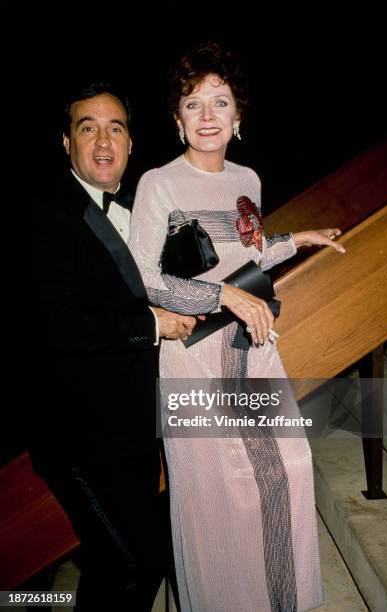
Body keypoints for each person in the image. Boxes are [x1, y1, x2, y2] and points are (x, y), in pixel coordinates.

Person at [128, 43, 347, 612]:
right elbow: (142, 279)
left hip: (250, 347)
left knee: (291, 469)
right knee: (216, 497)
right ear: (177, 120)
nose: (207, 116)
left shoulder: (246, 177)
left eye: (219, 102)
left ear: (238, 117)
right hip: (192, 355)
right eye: (193, 104)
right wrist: (219, 293)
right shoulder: (160, 183)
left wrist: (294, 241)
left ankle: (280, 600)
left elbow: (245, 255)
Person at [27, 81, 197, 611]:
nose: (103, 141)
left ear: (130, 143)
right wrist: (153, 325)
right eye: (87, 127)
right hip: (82, 440)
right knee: (131, 562)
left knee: (129, 566)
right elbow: (57, 327)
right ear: (65, 142)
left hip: (136, 431)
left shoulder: (146, 208)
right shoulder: (47, 218)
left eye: (115, 128)